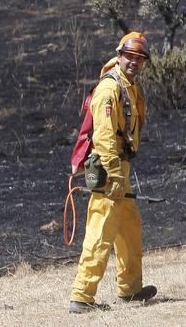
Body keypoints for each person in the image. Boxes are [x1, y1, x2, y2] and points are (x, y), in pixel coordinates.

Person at [69, 33, 156, 313]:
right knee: (100, 231)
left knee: (129, 228)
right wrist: (114, 176)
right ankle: (82, 297)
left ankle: (130, 289)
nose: (134, 62)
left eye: (139, 58)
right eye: (130, 56)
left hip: (121, 168)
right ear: (119, 55)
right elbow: (105, 136)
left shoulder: (129, 86)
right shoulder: (110, 89)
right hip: (110, 170)